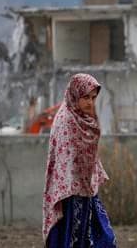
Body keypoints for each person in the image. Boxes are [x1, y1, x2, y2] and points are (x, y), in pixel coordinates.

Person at [42, 73, 116, 247]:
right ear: (75, 95)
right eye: (85, 97)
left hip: (85, 189)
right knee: (75, 240)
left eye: (93, 97)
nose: (90, 103)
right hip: (70, 192)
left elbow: (89, 152)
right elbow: (66, 159)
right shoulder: (67, 120)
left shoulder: (82, 118)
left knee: (103, 237)